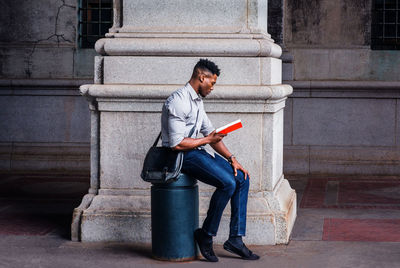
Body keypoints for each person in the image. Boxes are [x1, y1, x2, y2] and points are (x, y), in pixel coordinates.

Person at [161, 59, 259, 262]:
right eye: (212, 83)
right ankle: (206, 234)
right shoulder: (178, 101)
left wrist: (233, 159)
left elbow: (211, 135)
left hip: (196, 151)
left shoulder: (197, 102)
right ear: (201, 77)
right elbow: (176, 144)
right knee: (228, 182)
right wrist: (207, 140)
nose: (212, 87)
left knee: (241, 177)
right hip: (180, 156)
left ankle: (236, 239)